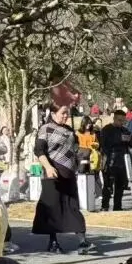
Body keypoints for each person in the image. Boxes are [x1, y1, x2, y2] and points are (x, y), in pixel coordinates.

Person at [31, 104, 93, 255]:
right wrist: (48, 167)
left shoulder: (70, 130)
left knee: (73, 207)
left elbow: (76, 149)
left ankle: (82, 241)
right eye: (62, 113)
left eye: (67, 113)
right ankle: (53, 242)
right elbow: (39, 150)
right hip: (52, 174)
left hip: (69, 174)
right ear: (53, 113)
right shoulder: (45, 129)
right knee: (53, 209)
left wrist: (85, 156)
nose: (65, 116)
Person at [98, 109, 132, 212]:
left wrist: (129, 139)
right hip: (109, 161)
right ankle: (105, 206)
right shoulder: (106, 129)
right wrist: (119, 139)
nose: (121, 122)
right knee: (108, 185)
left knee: (120, 186)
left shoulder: (124, 130)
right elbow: (103, 144)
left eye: (123, 120)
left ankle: (117, 207)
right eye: (119, 120)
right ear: (114, 118)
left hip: (122, 162)